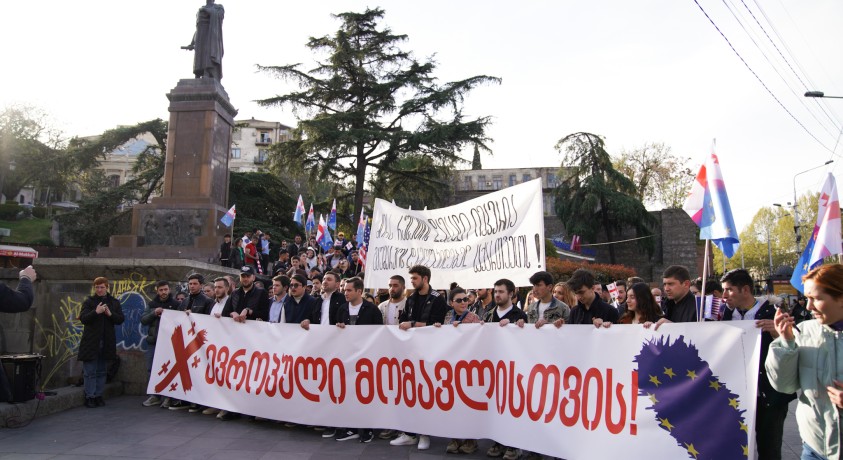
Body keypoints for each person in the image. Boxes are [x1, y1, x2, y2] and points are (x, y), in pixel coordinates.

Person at [766, 264, 843, 460]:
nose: (808, 306)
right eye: (807, 298)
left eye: (816, 298)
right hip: (815, 447)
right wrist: (786, 343)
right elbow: (784, 385)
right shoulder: (805, 330)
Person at [720, 269, 795, 460]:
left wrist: (778, 333)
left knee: (769, 449)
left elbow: (794, 345)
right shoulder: (725, 313)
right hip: (737, 394)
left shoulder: (774, 312)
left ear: (745, 289)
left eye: (729, 290)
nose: (724, 295)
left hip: (769, 395)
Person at [393, 265, 448, 451]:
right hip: (411, 352)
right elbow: (404, 320)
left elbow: (436, 324)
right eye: (411, 278)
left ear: (425, 279)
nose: (412, 281)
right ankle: (409, 433)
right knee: (409, 392)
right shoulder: (411, 299)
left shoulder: (438, 299)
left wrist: (413, 324)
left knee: (426, 393)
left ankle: (424, 434)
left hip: (430, 353)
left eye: (415, 278)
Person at [334, 277, 382, 443]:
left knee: (366, 393)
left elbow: (378, 333)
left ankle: (367, 428)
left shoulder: (372, 310)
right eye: (344, 290)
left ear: (359, 291)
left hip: (366, 359)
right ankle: (352, 428)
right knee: (349, 393)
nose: (345, 293)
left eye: (349, 290)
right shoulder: (342, 309)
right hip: (347, 358)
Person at [434, 287, 480, 455]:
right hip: (450, 366)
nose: (463, 303)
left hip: (468, 367)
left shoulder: (474, 318)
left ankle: (470, 440)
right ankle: (455, 438)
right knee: (453, 404)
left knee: (468, 405)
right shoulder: (448, 317)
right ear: (451, 303)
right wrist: (439, 329)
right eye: (459, 300)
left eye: (465, 299)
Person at [485, 278, 527, 460]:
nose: (497, 295)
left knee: (513, 407)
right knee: (496, 407)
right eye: (495, 291)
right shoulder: (489, 314)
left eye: (501, 291)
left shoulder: (520, 315)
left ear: (511, 293)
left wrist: (514, 326)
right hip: (494, 368)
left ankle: (514, 445)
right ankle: (498, 441)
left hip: (513, 369)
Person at [78, 277, 125, 408]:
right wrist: (96, 312)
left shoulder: (114, 302)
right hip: (91, 342)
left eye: (102, 287)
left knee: (102, 371)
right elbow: (83, 318)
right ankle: (90, 396)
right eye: (97, 287)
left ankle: (98, 395)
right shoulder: (89, 301)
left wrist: (110, 314)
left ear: (107, 288)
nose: (99, 290)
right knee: (90, 371)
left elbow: (120, 319)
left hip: (106, 342)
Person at [140, 281, 180, 408]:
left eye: (165, 289)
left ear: (169, 290)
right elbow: (143, 320)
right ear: (157, 291)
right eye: (161, 290)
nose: (164, 292)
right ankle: (155, 395)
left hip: (170, 344)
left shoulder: (176, 304)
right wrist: (154, 313)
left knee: (169, 369)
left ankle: (168, 397)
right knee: (151, 369)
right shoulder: (152, 304)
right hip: (154, 342)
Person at [182, 0, 225, 80]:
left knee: (208, 53)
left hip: (210, 35)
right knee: (199, 56)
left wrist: (207, 10)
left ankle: (207, 72)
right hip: (200, 36)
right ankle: (198, 73)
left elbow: (219, 16)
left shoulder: (218, 7)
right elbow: (198, 28)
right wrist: (192, 43)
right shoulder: (200, 10)